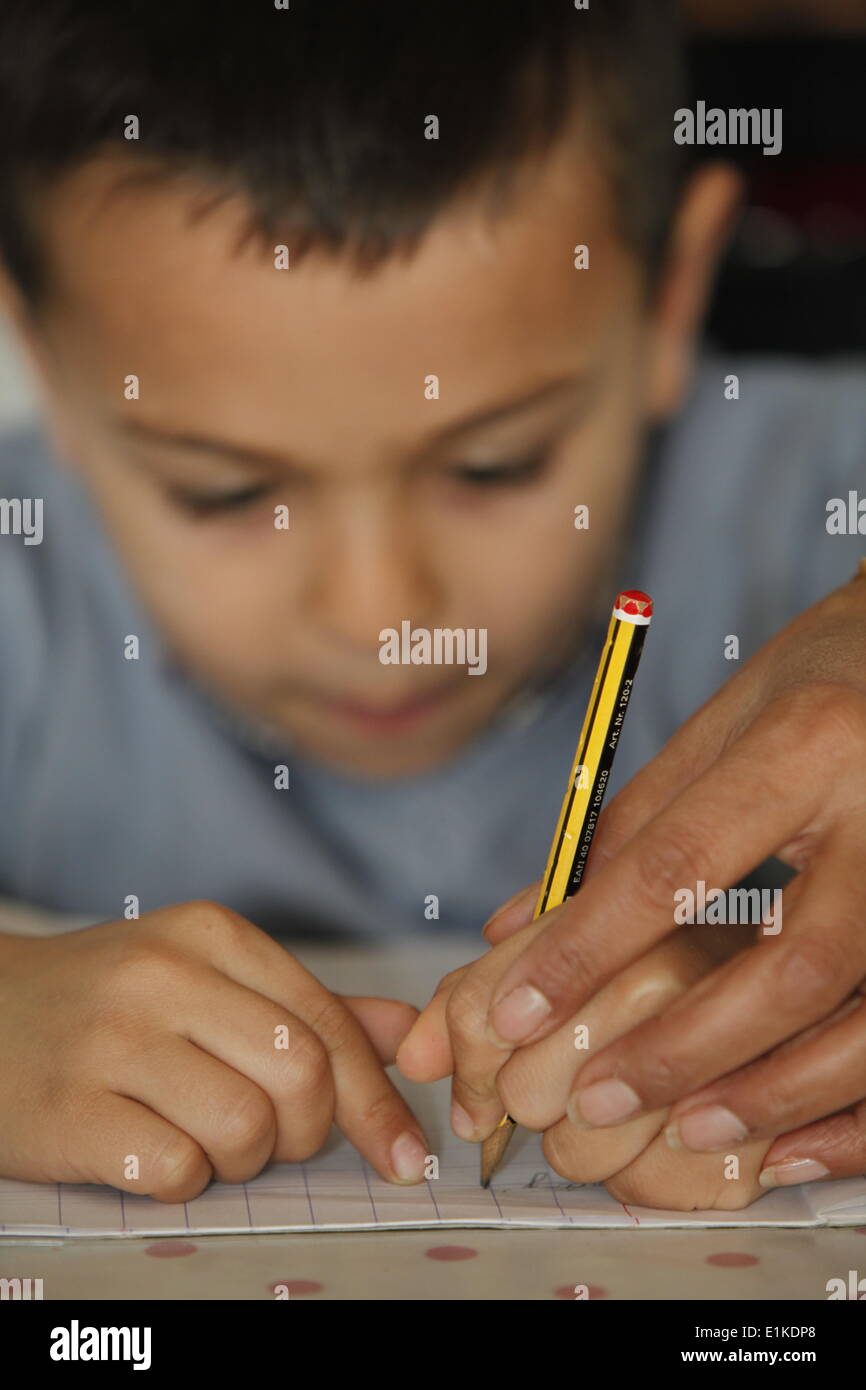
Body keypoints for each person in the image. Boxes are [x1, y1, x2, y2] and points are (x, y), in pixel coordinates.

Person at [0, 2, 863, 1209]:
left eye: (492, 464)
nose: (378, 614)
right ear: (42, 355)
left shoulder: (809, 510)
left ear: (669, 286)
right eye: (228, 490)